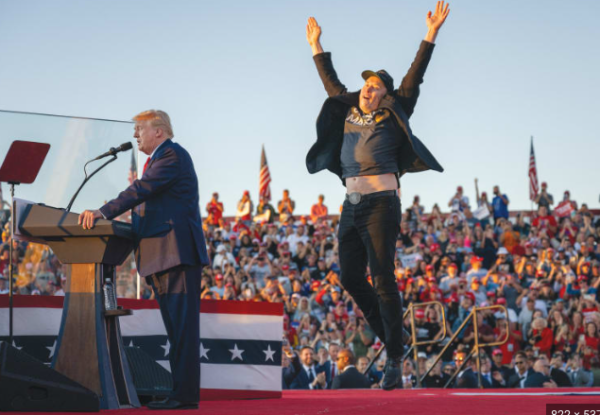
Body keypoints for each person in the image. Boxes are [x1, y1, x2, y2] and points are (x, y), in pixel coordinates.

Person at [305, 3, 450, 390]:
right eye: (366, 83)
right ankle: (393, 340)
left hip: (382, 203)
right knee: (351, 276)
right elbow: (331, 83)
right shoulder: (349, 107)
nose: (369, 87)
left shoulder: (395, 108)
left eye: (376, 85)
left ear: (385, 93)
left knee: (383, 278)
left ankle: (394, 360)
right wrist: (317, 46)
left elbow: (415, 75)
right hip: (350, 206)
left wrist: (431, 33)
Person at [79, 109, 209, 410]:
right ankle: (181, 393)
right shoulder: (159, 159)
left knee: (182, 330)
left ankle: (185, 396)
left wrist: (103, 212)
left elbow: (141, 190)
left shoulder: (171, 157)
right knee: (176, 330)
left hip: (175, 254)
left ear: (159, 131)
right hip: (163, 255)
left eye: (140, 128)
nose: (135, 134)